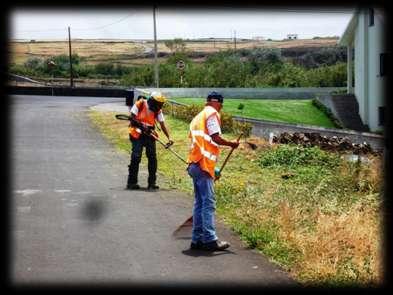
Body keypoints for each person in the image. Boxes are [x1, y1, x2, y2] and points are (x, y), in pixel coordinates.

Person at [186, 91, 239, 251]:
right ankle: (210, 239)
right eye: (221, 104)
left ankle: (197, 240)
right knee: (208, 203)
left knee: (200, 203)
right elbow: (215, 137)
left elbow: (202, 141)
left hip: (194, 164)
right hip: (202, 165)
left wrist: (213, 167)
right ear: (217, 103)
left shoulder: (198, 116)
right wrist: (231, 144)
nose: (221, 108)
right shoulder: (212, 113)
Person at [127, 91, 173, 190]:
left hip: (150, 134)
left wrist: (169, 138)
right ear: (151, 101)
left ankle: (152, 183)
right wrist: (142, 126)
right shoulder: (140, 103)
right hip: (137, 133)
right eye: (158, 103)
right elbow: (131, 118)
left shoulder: (158, 110)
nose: (159, 106)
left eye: (161, 104)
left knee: (152, 158)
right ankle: (131, 182)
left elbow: (162, 124)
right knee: (136, 156)